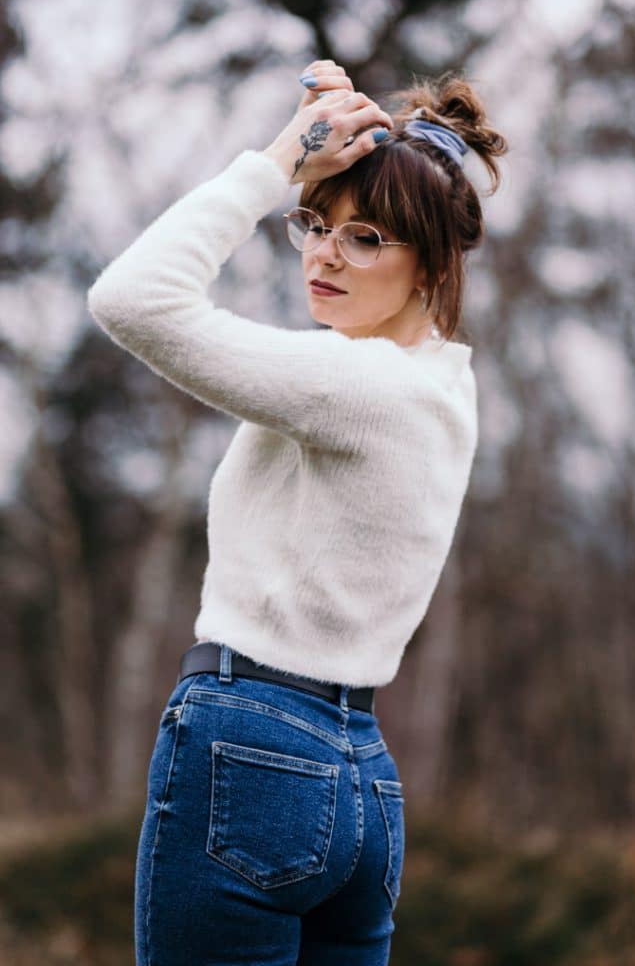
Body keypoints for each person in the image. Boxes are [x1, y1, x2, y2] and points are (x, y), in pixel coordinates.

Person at [87, 60, 507, 966]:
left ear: (431, 261)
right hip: (362, 776)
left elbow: (132, 299)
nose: (322, 254)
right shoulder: (442, 384)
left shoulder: (352, 383)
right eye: (314, 223)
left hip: (250, 745)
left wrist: (281, 159)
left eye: (365, 240)